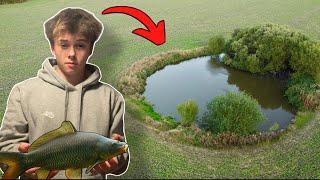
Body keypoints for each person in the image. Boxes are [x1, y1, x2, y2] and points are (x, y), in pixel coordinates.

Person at [0, 7, 129, 179]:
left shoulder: (112, 98)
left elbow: (119, 151)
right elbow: (6, 148)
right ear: (52, 46)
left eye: (80, 45)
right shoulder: (22, 92)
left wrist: (118, 161)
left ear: (91, 49)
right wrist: (23, 160)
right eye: (64, 44)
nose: (72, 54)